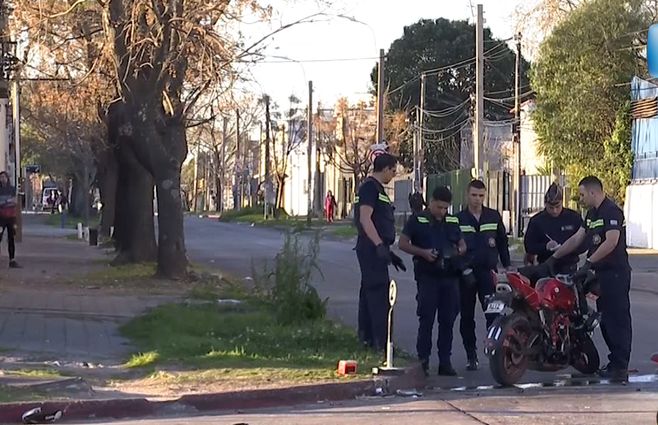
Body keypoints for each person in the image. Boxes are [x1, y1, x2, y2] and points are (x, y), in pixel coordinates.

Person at [546, 176, 631, 383]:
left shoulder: (612, 211)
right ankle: (614, 364)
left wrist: (589, 262)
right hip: (601, 274)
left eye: (582, 194)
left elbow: (611, 242)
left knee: (617, 321)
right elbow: (577, 238)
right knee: (606, 321)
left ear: (593, 192)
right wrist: (553, 258)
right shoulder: (592, 214)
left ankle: (620, 367)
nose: (580, 198)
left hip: (615, 274)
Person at [399, 186, 465, 377]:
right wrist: (423, 253)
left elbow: (462, 244)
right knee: (426, 319)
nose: (442, 212)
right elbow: (403, 243)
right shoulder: (418, 219)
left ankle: (445, 362)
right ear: (431, 201)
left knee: (447, 321)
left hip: (449, 277)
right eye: (439, 207)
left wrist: (456, 252)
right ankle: (423, 361)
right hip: (428, 276)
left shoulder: (452, 220)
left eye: (445, 208)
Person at [456, 179, 511, 371]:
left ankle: (495, 353)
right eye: (473, 195)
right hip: (466, 275)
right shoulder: (458, 219)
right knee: (467, 317)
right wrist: (462, 268)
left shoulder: (493, 216)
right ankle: (471, 356)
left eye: (481, 196)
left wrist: (506, 266)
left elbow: (503, 242)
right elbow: (454, 247)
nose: (477, 199)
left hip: (488, 273)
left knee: (494, 315)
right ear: (467, 195)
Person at [353, 153, 406, 351]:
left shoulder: (378, 189)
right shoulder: (369, 187)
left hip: (376, 247)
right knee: (378, 292)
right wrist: (378, 245)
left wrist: (388, 252)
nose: (393, 175)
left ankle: (366, 339)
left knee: (369, 293)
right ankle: (380, 343)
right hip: (370, 247)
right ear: (385, 169)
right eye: (393, 171)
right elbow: (366, 219)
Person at [523, 183, 583, 274]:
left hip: (569, 266)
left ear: (562, 202)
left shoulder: (574, 218)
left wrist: (569, 248)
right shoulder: (537, 221)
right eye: (551, 208)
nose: (554, 211)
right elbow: (529, 246)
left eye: (557, 207)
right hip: (546, 266)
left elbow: (584, 240)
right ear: (545, 204)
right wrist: (545, 246)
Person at [0, 171, 20, 268]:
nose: (2, 179)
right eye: (1, 177)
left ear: (7, 178)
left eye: (4, 177)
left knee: (11, 238)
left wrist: (5, 202)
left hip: (11, 217)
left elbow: (15, 201)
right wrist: (7, 202)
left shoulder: (12, 189)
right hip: (1, 217)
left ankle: (12, 260)